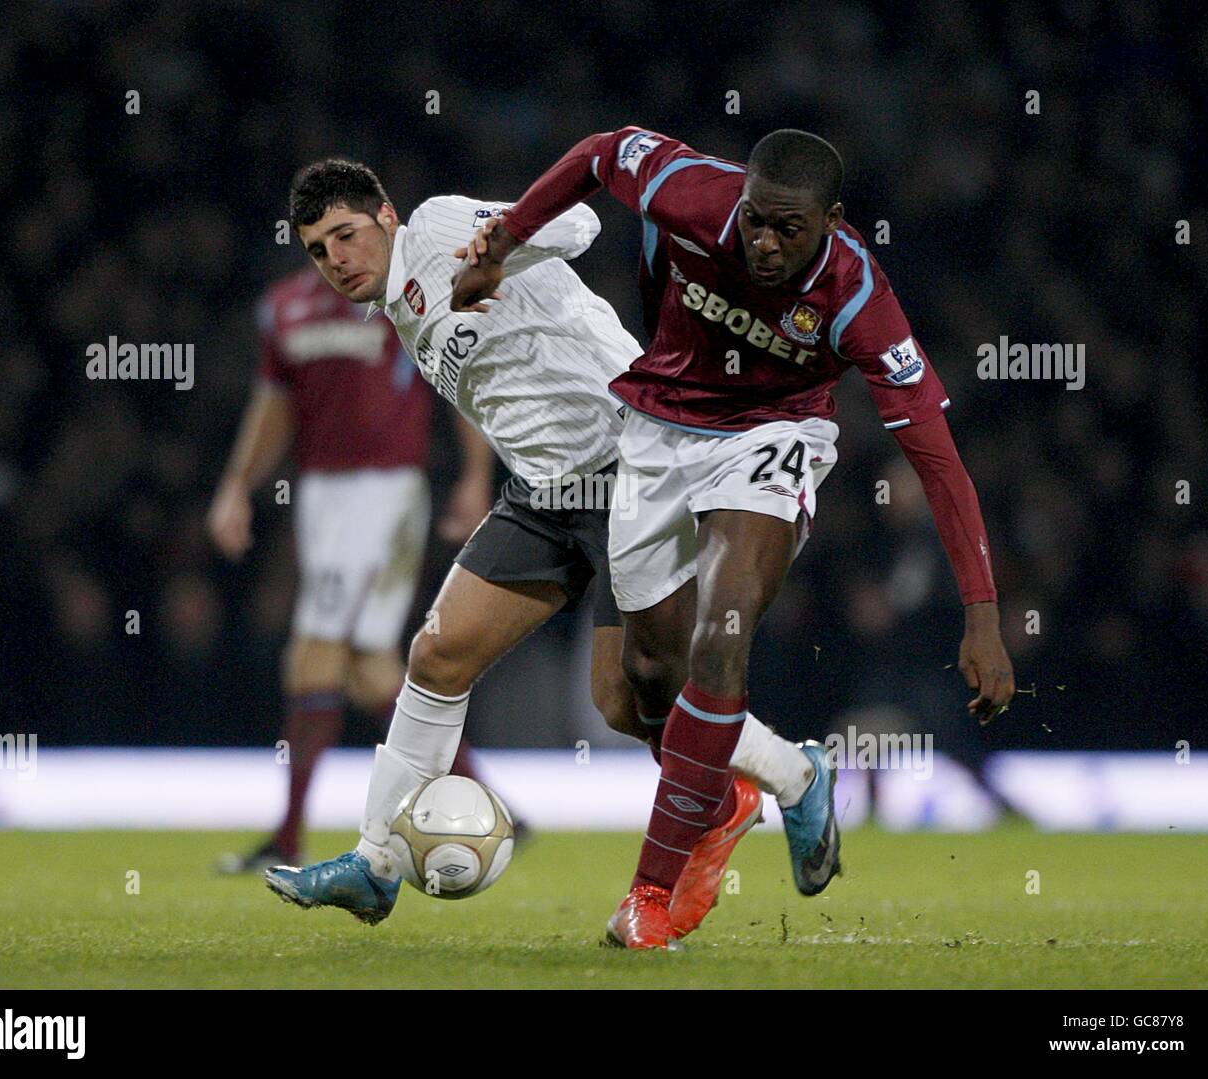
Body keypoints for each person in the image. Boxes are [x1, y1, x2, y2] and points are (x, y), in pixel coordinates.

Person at [452, 126, 1017, 949]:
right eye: (757, 219)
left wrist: (983, 613)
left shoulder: (860, 297)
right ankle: (793, 776)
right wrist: (503, 241)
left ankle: (650, 895)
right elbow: (600, 153)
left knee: (720, 639)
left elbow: (937, 458)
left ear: (833, 220)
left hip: (771, 438)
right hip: (658, 426)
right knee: (646, 681)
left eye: (789, 228)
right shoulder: (694, 191)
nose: (763, 241)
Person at [264, 160, 821, 928]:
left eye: (346, 235)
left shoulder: (439, 225)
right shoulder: (393, 304)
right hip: (544, 489)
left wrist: (500, 247)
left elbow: (580, 224)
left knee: (630, 701)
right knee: (437, 655)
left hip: (629, 462)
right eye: (319, 251)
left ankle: (794, 776)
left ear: (386, 217)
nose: (337, 260)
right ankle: (375, 862)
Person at [208, 265, 493, 872]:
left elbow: (455, 383)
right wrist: (237, 485)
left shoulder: (398, 300)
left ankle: (286, 840)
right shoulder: (283, 306)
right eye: (316, 238)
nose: (333, 251)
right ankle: (492, 804)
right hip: (320, 499)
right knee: (370, 670)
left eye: (343, 232)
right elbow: (273, 404)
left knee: (312, 655)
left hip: (384, 492)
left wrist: (474, 476)